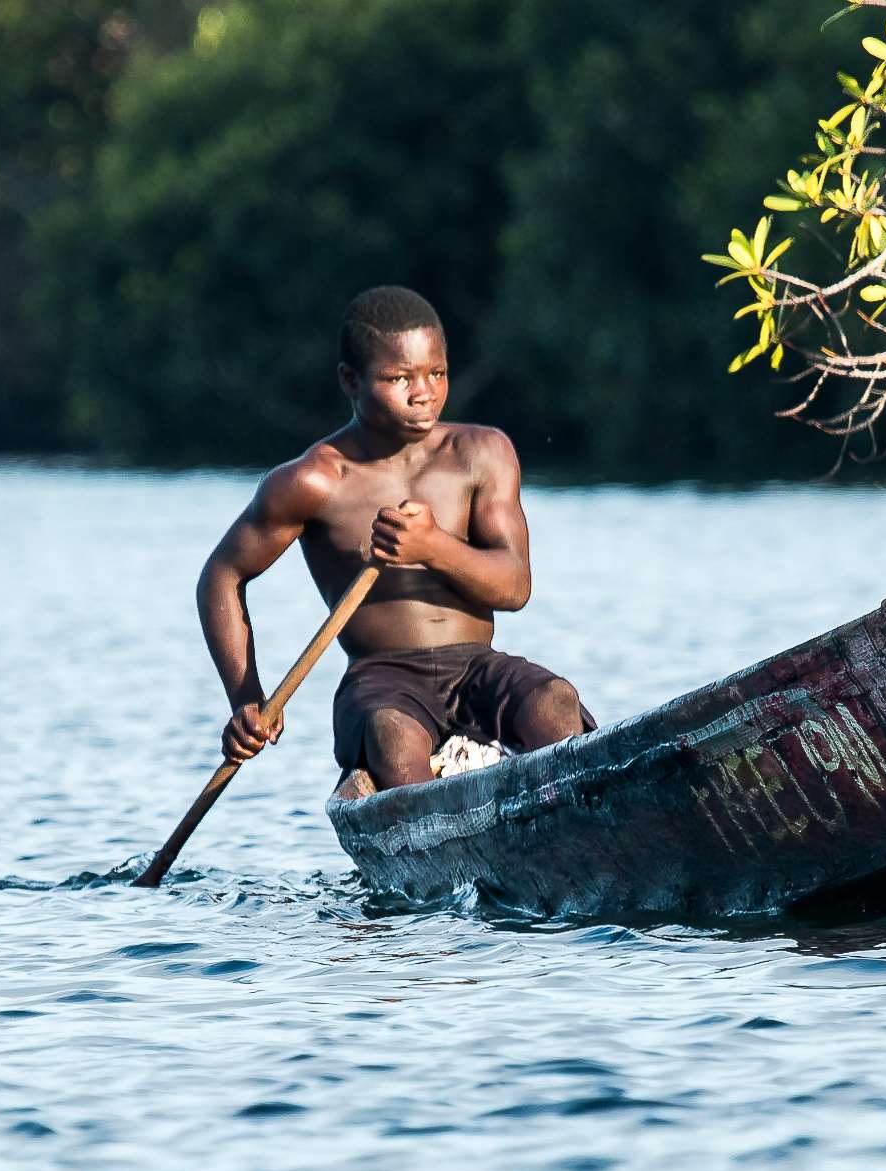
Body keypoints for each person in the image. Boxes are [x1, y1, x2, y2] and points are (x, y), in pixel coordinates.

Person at [195, 286, 591, 794]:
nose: (422, 391)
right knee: (393, 737)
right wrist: (246, 698)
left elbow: (514, 589)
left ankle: (575, 822)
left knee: (555, 701)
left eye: (437, 373)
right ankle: (439, 844)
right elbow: (222, 576)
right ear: (350, 381)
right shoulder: (315, 481)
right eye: (398, 378)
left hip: (477, 665)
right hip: (381, 680)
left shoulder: (482, 453)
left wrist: (432, 547)